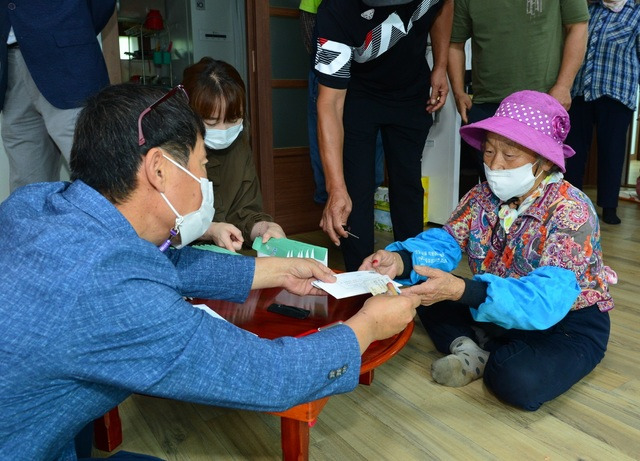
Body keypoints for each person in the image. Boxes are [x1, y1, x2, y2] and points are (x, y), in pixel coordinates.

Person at [0, 83, 420, 459]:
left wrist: (274, 270)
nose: (205, 179)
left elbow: (159, 263)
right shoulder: (114, 293)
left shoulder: (37, 202)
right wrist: (366, 326)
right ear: (159, 169)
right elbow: (271, 376)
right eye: (201, 166)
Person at [361, 90, 616, 411]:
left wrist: (462, 290)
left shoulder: (571, 211)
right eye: (490, 151)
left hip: (566, 322)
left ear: (545, 162)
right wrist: (399, 260)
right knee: (417, 285)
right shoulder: (481, 197)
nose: (494, 164)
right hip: (498, 306)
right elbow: (446, 242)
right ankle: (476, 350)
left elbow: (546, 301)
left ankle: (488, 351)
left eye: (510, 156)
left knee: (515, 380)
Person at [314, 0, 453, 271]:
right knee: (354, 189)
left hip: (412, 92)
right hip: (359, 95)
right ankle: (359, 280)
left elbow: (444, 5)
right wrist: (335, 187)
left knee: (408, 185)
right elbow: (329, 103)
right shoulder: (335, 11)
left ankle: (412, 271)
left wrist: (440, 65)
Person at [447, 0, 589, 184]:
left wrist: (564, 85)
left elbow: (578, 26)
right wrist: (459, 91)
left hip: (541, 104)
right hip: (488, 105)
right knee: (494, 186)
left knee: (541, 186)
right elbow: (455, 43)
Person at [0, 0, 115, 192]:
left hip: (68, 63)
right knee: (26, 187)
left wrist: (74, 35)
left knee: (98, 176)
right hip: (11, 63)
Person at [181, 57, 286, 251]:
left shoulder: (239, 144)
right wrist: (208, 230)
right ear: (189, 115)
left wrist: (265, 228)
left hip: (225, 257)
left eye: (233, 119)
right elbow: (158, 224)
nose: (224, 131)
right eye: (212, 123)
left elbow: (245, 212)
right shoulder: (169, 151)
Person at [299, 0, 385, 205]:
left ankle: (361, 222)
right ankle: (333, 221)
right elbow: (309, 29)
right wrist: (336, 67)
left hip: (370, 77)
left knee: (372, 161)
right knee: (326, 165)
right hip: (330, 70)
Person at [564, 0, 640, 225]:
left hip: (616, 93)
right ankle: (572, 202)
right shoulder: (588, 10)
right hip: (580, 91)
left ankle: (609, 206)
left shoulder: (636, 14)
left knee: (612, 152)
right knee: (574, 152)